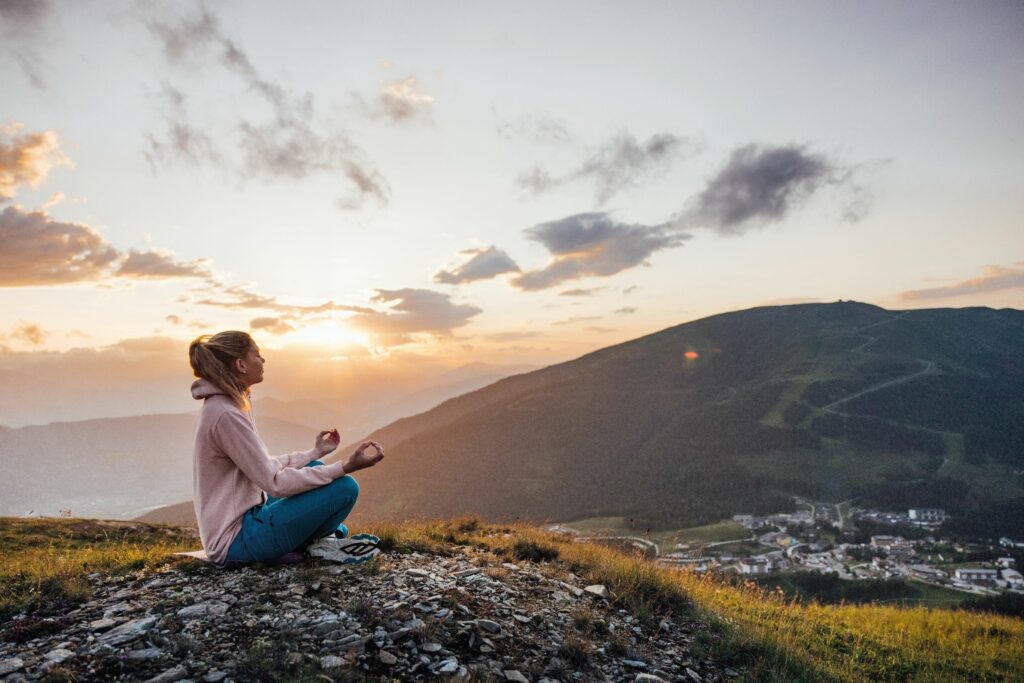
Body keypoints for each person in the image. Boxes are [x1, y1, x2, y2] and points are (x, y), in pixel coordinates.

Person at [188, 330, 384, 568]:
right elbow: (275, 483)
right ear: (240, 364)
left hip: (247, 517)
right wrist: (346, 466)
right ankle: (318, 541)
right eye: (257, 355)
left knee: (315, 469)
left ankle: (313, 540)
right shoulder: (226, 414)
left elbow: (265, 467)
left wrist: (314, 453)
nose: (263, 360)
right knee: (344, 487)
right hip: (234, 541)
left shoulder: (228, 405)